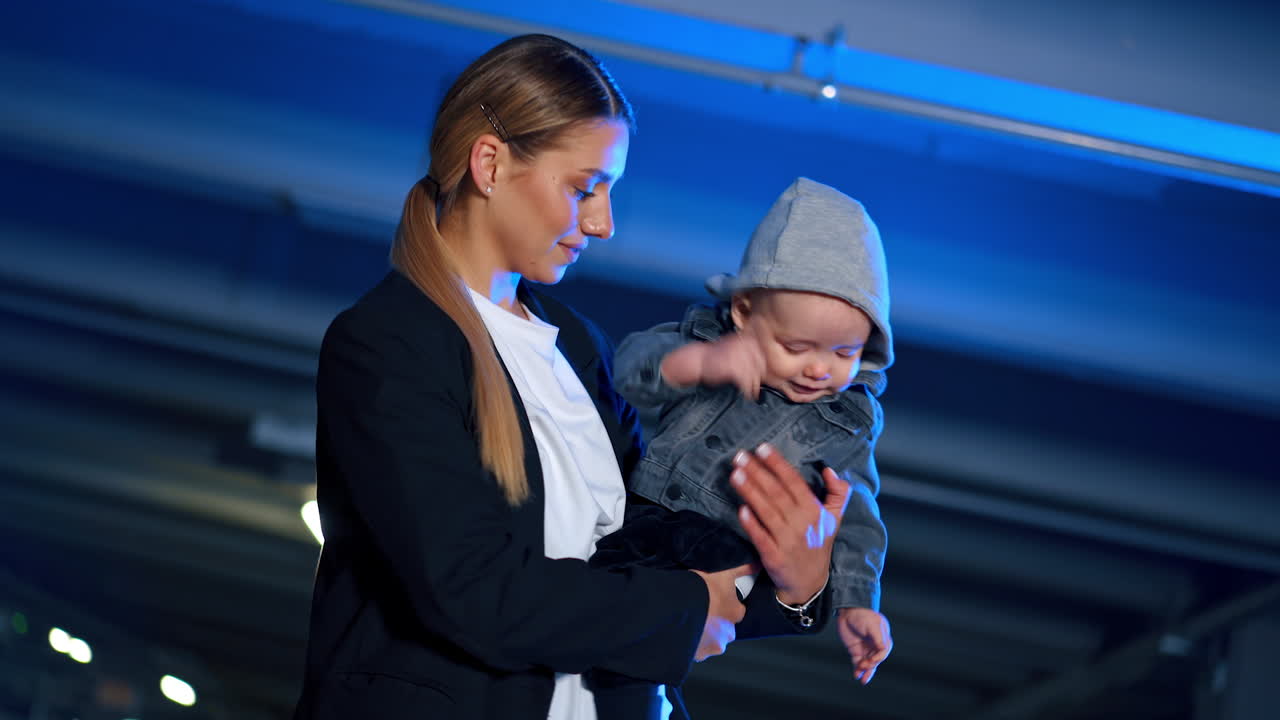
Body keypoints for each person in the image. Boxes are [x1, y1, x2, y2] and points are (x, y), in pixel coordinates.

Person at [292, 35, 851, 720]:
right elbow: (474, 593)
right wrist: (684, 610)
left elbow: (640, 539)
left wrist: (793, 580)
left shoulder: (579, 346)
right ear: (490, 164)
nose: (603, 223)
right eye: (584, 188)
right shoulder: (386, 345)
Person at [603, 177, 895, 686]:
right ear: (743, 313)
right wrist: (698, 363)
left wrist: (856, 603)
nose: (818, 370)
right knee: (601, 590)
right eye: (796, 347)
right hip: (644, 516)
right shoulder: (708, 344)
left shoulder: (849, 419)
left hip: (733, 558)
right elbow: (626, 373)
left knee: (685, 631)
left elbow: (857, 518)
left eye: (844, 353)